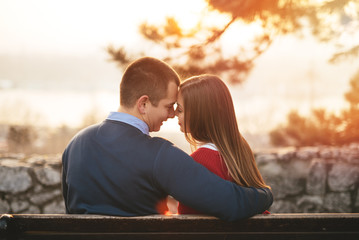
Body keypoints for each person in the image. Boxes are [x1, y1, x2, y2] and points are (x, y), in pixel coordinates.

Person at [62, 57, 273, 221]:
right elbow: (230, 203)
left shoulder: (75, 145)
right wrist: (265, 194)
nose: (172, 115)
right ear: (143, 104)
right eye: (168, 106)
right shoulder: (159, 155)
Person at [175, 74, 271, 214]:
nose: (175, 114)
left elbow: (188, 217)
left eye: (180, 109)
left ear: (200, 113)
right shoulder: (240, 149)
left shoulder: (200, 160)